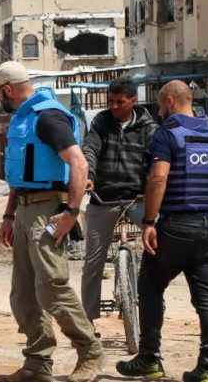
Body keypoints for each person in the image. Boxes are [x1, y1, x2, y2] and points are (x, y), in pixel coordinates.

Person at [0, 61, 104, 382]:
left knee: (52, 286)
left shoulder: (48, 117)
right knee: (23, 294)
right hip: (25, 210)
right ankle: (37, 365)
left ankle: (90, 352)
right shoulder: (24, 118)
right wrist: (9, 215)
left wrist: (71, 212)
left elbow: (79, 164)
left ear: (7, 90)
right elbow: (21, 175)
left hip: (48, 212)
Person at [116, 80, 208, 381]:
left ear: (170, 101)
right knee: (207, 298)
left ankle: (149, 359)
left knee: (150, 287)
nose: (158, 110)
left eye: (160, 104)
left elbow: (158, 179)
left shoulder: (167, 134)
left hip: (176, 226)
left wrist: (148, 222)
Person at [81, 77, 158, 332]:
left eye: (120, 102)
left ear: (133, 101)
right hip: (103, 199)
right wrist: (89, 176)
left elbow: (157, 161)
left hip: (138, 199)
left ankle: (154, 306)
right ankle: (87, 323)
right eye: (111, 101)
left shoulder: (149, 127)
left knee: (160, 247)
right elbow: (90, 149)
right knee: (93, 261)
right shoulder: (101, 122)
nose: (114, 106)